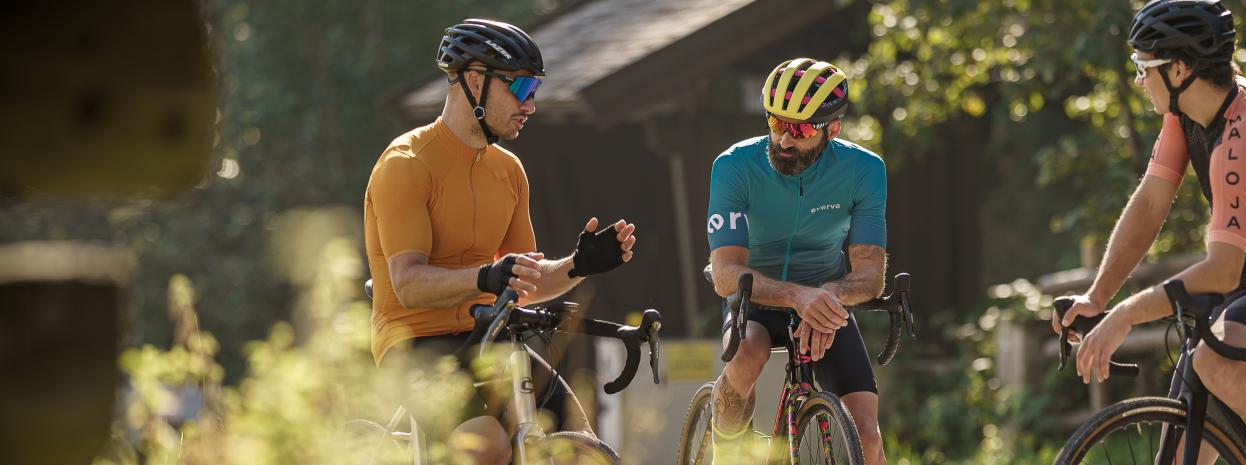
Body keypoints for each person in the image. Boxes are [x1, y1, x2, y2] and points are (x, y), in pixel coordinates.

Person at [1056, 1, 1246, 463]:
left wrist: (1126, 314)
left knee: (1214, 364)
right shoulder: (1186, 114)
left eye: (1143, 67)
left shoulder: (1243, 134)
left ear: (1181, 68)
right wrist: (1097, 298)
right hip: (1245, 292)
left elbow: (1222, 271)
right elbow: (1150, 204)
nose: (1138, 79)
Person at [363, 18, 638, 465]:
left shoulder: (508, 171)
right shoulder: (406, 163)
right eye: (523, 88)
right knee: (488, 444)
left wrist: (577, 265)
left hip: (488, 333)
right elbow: (407, 283)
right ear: (475, 80)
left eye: (535, 91)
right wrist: (487, 275)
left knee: (575, 446)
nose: (531, 104)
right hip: (414, 337)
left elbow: (523, 280)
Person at [704, 58, 890, 464]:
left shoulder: (865, 170)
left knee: (868, 439)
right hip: (753, 299)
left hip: (826, 305)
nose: (784, 140)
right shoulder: (734, 166)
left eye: (802, 129)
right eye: (776, 123)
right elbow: (725, 274)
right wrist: (797, 297)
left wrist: (827, 297)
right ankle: (726, 449)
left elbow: (871, 274)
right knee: (746, 355)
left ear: (832, 129)